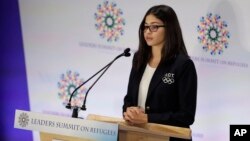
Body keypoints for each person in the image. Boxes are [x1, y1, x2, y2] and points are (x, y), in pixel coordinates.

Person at [122, 5, 197, 141]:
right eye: (145, 26)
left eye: (154, 27)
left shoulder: (183, 65)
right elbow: (129, 98)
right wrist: (129, 111)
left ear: (169, 29)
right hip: (136, 135)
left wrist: (147, 118)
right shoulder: (139, 58)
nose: (147, 32)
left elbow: (186, 115)